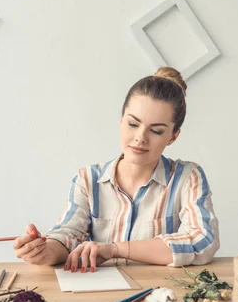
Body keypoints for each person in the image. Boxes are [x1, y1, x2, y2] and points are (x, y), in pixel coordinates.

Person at [12, 67, 220, 272]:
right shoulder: (87, 179)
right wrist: (45, 251)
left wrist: (115, 249)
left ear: (173, 136)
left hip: (161, 297)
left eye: (156, 131)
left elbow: (203, 241)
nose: (140, 137)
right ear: (121, 120)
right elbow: (68, 234)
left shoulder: (187, 177)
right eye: (132, 124)